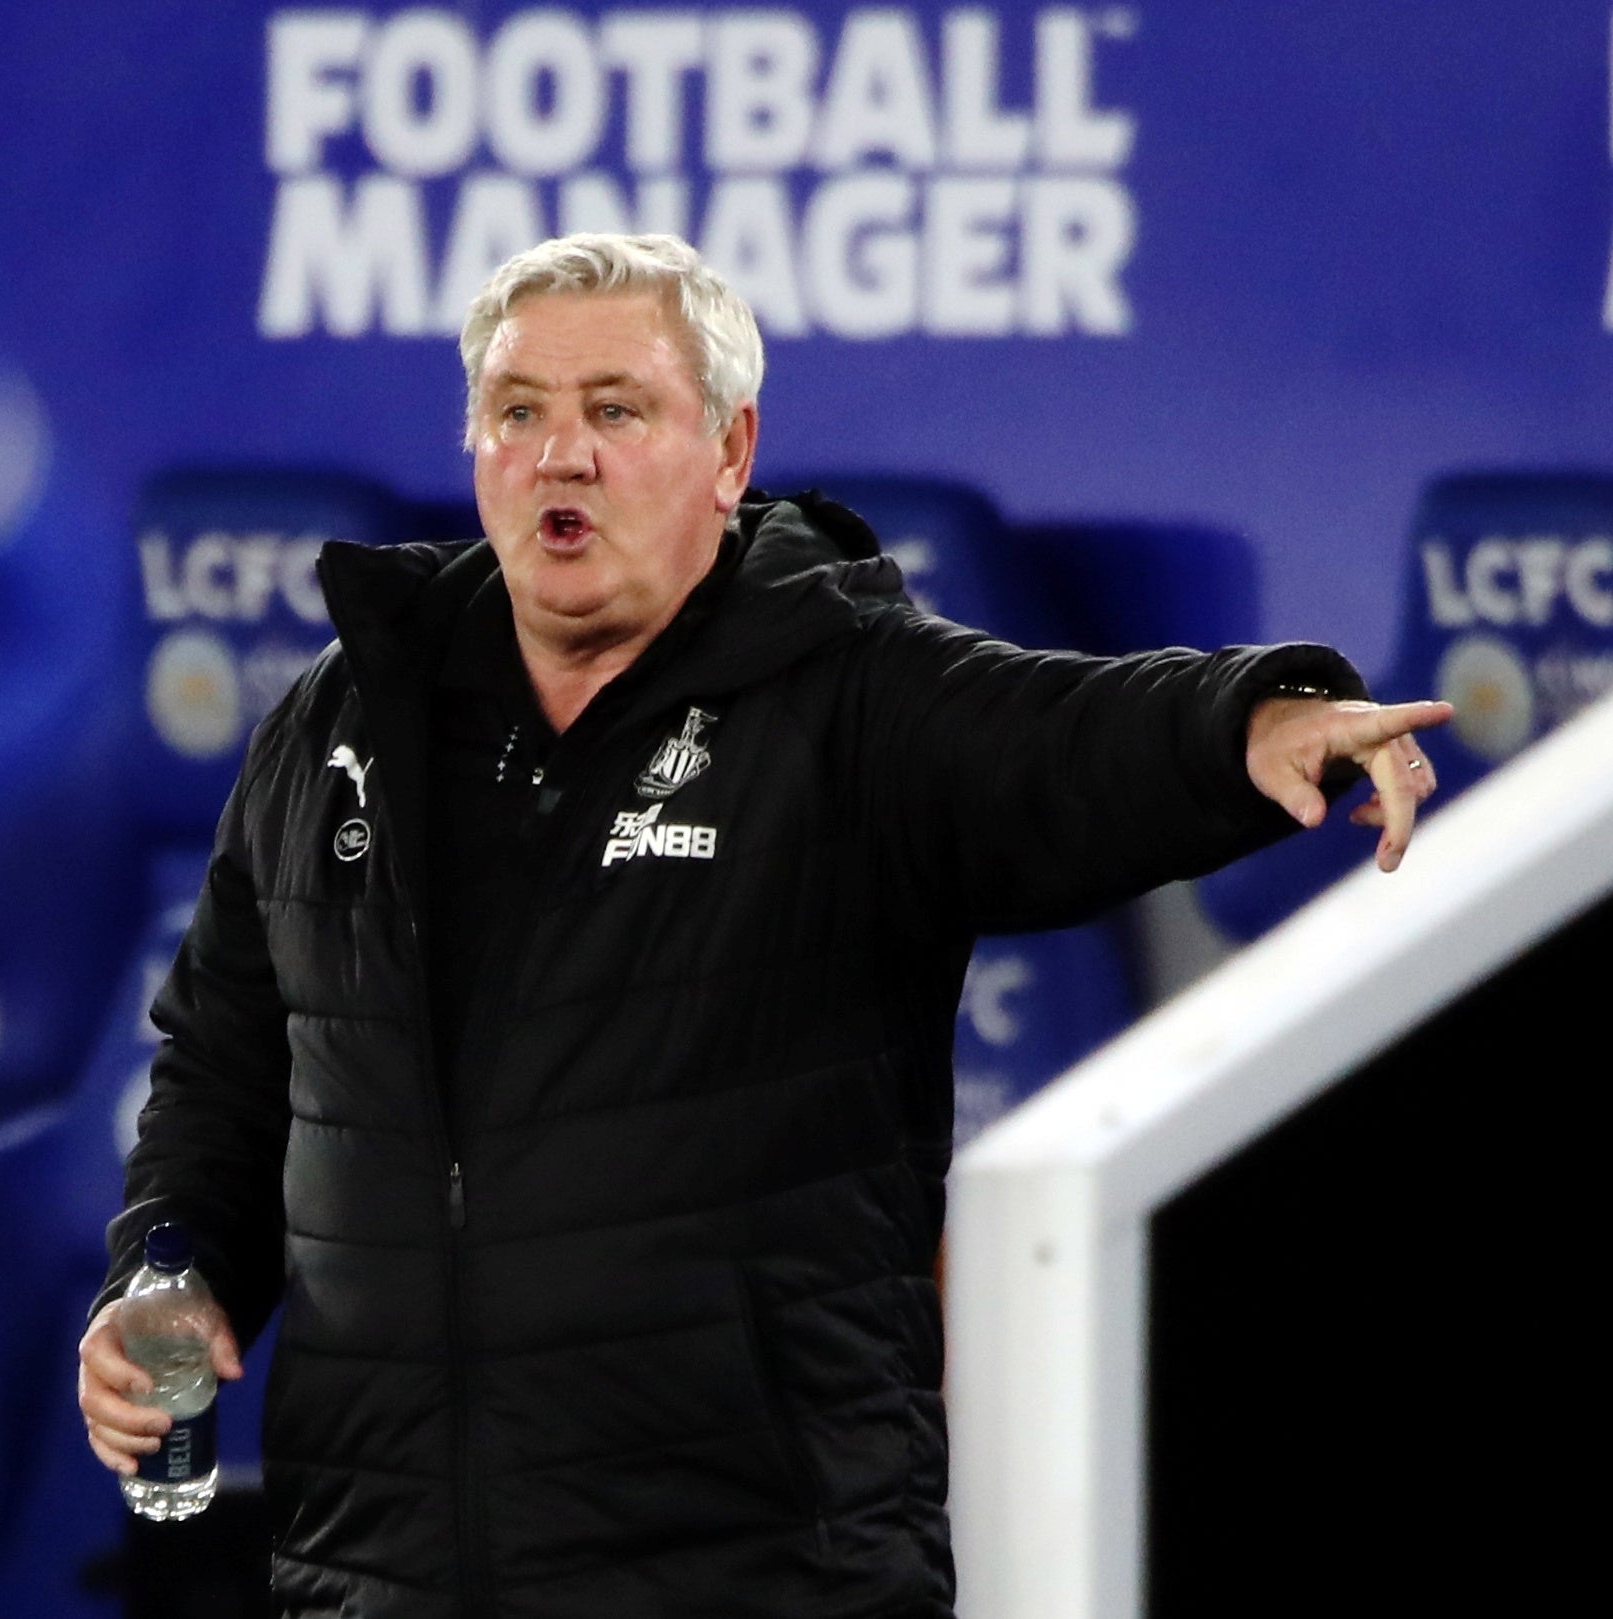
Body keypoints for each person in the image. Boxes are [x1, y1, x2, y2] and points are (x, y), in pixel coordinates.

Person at [76, 233, 1451, 1618]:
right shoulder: (333, 720)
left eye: (615, 410)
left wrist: (1252, 721)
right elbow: (226, 1077)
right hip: (377, 1577)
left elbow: (1066, 741)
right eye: (518, 412)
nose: (562, 454)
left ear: (728, 452)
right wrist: (170, 1274)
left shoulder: (848, 698)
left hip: (757, 1574)